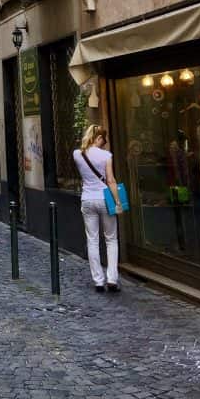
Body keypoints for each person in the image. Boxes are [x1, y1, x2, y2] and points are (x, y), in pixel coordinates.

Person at [73, 124, 123, 292]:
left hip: (87, 199)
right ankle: (112, 279)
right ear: (99, 138)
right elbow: (110, 180)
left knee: (92, 240)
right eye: (103, 140)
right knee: (111, 239)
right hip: (104, 199)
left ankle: (98, 281)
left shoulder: (77, 154)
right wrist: (118, 202)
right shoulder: (106, 155)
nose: (104, 143)